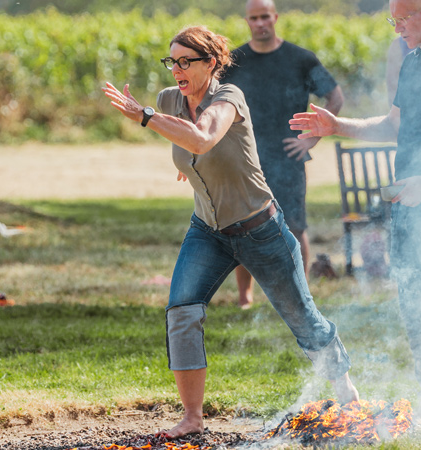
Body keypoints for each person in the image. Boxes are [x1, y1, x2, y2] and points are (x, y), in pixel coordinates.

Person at [103, 25, 360, 439]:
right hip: (208, 230)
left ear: (211, 63)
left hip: (261, 229)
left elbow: (203, 138)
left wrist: (146, 118)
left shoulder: (229, 97)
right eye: (172, 61)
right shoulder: (170, 99)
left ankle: (346, 389)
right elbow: (189, 150)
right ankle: (191, 418)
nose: (177, 70)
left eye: (186, 61)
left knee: (303, 319)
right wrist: (187, 169)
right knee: (182, 311)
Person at [290, 0, 421, 425]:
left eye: (402, 18)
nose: (396, 26)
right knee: (414, 301)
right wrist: (338, 127)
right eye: (393, 18)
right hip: (407, 201)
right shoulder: (412, 63)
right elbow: (394, 125)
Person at [221, 0, 345, 309]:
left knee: (294, 227)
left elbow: (335, 97)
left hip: (288, 157)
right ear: (247, 21)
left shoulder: (300, 59)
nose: (260, 22)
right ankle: (244, 298)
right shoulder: (234, 61)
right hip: (245, 158)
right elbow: (213, 103)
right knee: (241, 226)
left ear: (275, 18)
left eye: (265, 16)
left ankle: (301, 297)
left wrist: (312, 137)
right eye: (254, 18)